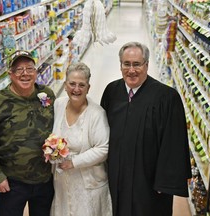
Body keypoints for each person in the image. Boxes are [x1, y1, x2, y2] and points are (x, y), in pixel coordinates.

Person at [100, 41, 192, 216]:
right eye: (126, 64)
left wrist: (165, 182)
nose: (131, 70)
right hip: (117, 175)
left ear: (147, 65)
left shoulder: (167, 98)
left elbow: (173, 142)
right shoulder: (112, 91)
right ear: (120, 65)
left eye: (137, 64)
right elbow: (101, 132)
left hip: (149, 180)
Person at [0, 50, 55, 216]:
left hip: (45, 179)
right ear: (10, 74)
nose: (25, 74)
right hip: (12, 182)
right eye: (19, 69)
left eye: (30, 68)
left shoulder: (47, 94)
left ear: (36, 71)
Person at [50, 62, 112, 216]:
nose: (76, 89)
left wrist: (73, 162)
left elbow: (103, 148)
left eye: (81, 85)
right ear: (65, 85)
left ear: (88, 88)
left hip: (88, 184)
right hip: (62, 183)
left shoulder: (96, 113)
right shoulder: (58, 105)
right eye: (72, 84)